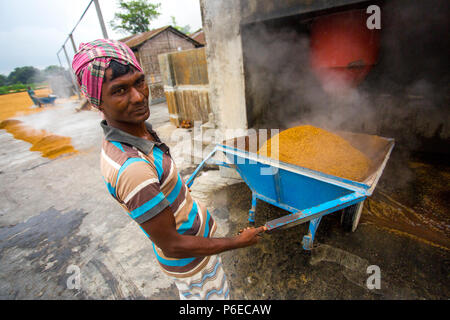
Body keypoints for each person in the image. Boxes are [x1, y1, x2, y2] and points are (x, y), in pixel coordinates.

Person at [72, 39, 266, 300]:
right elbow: (173, 245)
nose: (139, 96)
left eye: (139, 81)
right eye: (119, 91)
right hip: (191, 264)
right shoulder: (132, 169)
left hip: (199, 251)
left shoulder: (141, 130)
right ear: (97, 102)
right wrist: (237, 242)